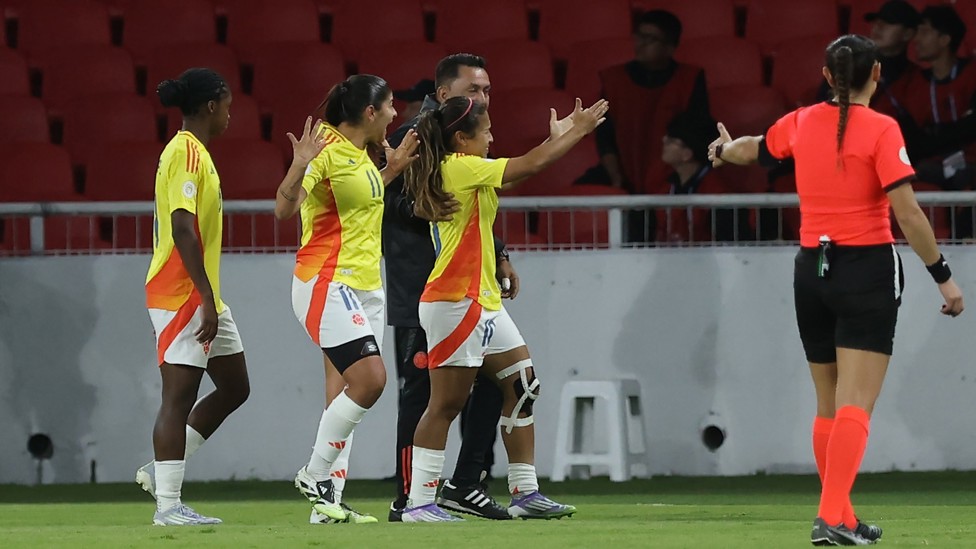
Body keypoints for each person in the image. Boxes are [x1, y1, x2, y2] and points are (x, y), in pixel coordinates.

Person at [708, 35, 964, 545]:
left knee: (828, 402)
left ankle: (842, 517)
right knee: (856, 404)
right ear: (877, 76)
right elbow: (909, 213)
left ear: (827, 77)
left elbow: (753, 149)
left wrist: (723, 149)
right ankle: (828, 517)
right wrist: (943, 276)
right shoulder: (882, 129)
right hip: (866, 269)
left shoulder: (801, 122)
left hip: (812, 270)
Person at [399, 95, 608, 522]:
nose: (493, 137)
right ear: (462, 137)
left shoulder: (465, 170)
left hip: (482, 302)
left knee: (523, 386)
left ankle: (525, 493)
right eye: (487, 131)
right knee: (445, 404)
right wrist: (578, 132)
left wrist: (559, 139)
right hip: (455, 302)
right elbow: (528, 166)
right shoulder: (459, 166)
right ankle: (419, 502)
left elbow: (517, 173)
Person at [273, 74, 418, 525]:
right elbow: (284, 208)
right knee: (371, 382)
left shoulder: (361, 155)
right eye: (391, 106)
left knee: (343, 396)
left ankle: (327, 505)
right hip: (327, 282)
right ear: (370, 113)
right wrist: (298, 165)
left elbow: (358, 198)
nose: (396, 114)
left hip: (365, 288)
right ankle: (314, 473)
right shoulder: (327, 148)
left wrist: (391, 172)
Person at [384, 54, 523, 522]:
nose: (482, 99)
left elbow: (474, 207)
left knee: (490, 386)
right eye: (473, 91)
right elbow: (383, 204)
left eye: (486, 90)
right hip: (423, 288)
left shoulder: (464, 142)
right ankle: (410, 496)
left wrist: (500, 253)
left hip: (472, 288)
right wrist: (421, 207)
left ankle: (467, 483)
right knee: (424, 395)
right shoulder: (411, 140)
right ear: (444, 94)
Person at [140, 68, 250, 526]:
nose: (230, 113)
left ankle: (159, 470)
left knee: (235, 387)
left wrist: (210, 298)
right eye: (227, 104)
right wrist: (204, 296)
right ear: (211, 105)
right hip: (182, 293)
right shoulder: (185, 153)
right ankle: (168, 505)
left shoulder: (196, 153)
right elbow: (183, 229)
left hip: (203, 295)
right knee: (178, 396)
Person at [596, 9, 709, 243]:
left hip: (671, 180)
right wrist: (616, 178)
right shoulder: (613, 79)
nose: (641, 44)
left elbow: (694, 131)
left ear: (670, 47)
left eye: (651, 39)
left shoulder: (690, 79)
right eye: (639, 36)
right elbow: (604, 135)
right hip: (624, 174)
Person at [900, 5, 976, 191]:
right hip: (933, 163)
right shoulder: (912, 83)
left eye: (924, 32)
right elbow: (913, 139)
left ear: (944, 39)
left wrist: (934, 133)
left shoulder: (972, 74)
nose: (916, 40)